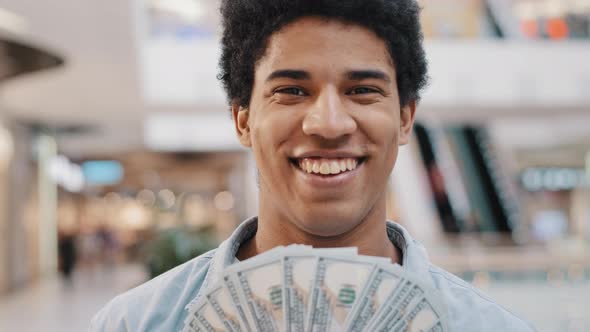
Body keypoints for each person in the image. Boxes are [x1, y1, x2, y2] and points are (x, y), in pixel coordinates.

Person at [90, 0, 535, 330]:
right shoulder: (133, 324)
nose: (328, 123)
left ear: (404, 119)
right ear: (242, 120)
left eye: (362, 90)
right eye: (292, 91)